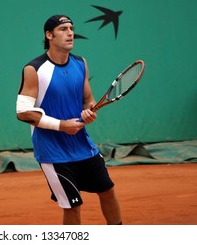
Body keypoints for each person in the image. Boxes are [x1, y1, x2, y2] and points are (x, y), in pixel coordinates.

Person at [16, 15, 122, 225]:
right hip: (53, 152)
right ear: (49, 35)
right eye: (63, 29)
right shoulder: (34, 69)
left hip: (83, 146)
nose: (70, 33)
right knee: (73, 205)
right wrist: (62, 126)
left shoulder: (80, 63)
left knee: (108, 191)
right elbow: (23, 112)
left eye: (71, 28)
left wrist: (89, 112)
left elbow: (87, 100)